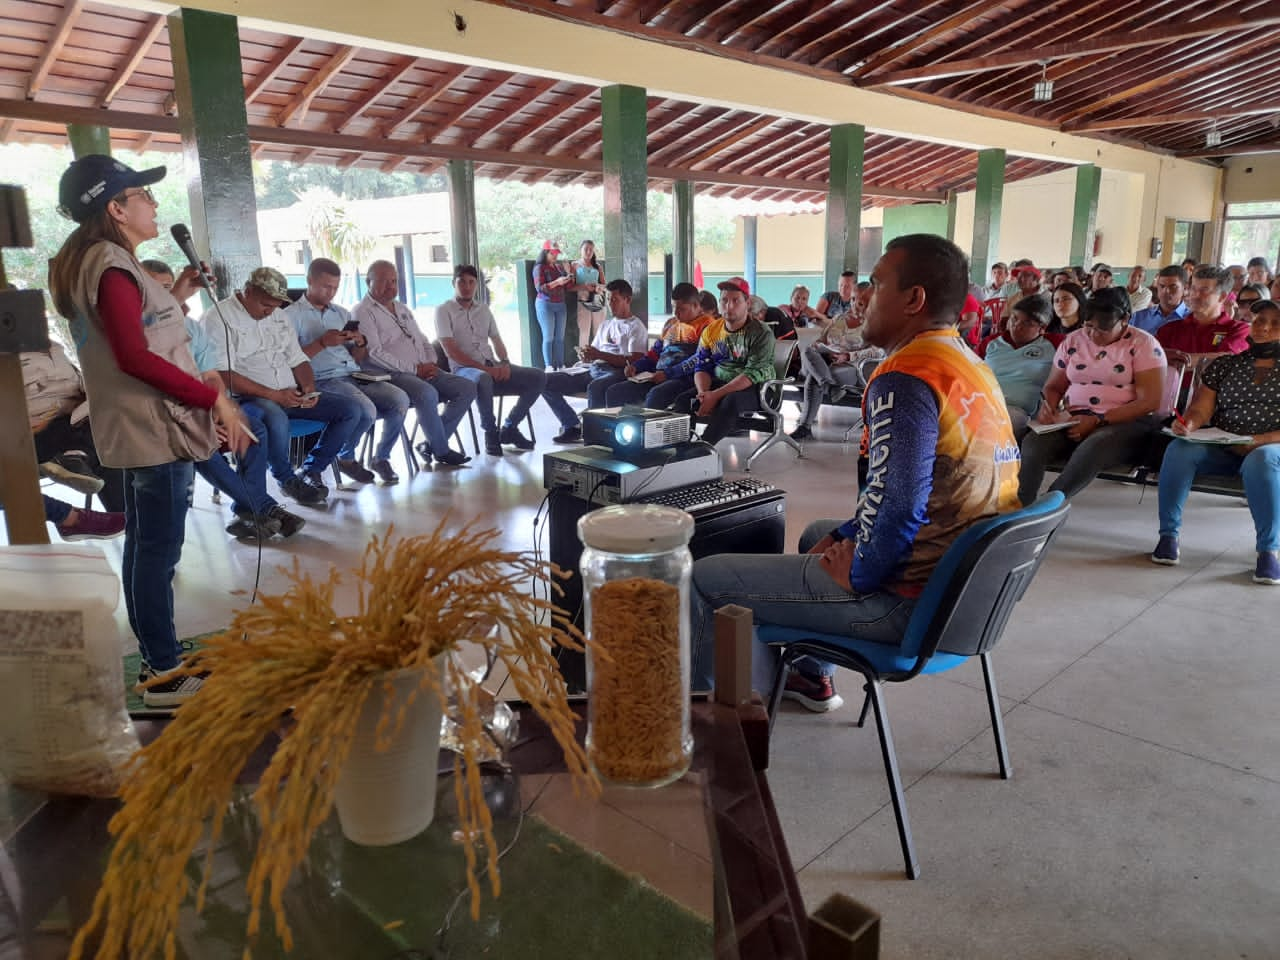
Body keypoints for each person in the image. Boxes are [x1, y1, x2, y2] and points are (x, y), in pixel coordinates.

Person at [689, 234, 1020, 710]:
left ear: (914, 299)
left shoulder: (906, 376)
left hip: (909, 604)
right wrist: (847, 535)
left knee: (707, 578)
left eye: (877, 285)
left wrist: (860, 575)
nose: (861, 298)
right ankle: (810, 678)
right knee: (819, 535)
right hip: (964, 594)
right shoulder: (966, 362)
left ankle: (721, 734)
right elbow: (913, 497)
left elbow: (900, 507)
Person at [49, 154, 251, 708]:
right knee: (157, 551)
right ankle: (162, 671)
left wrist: (179, 290)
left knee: (145, 546)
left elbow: (142, 327)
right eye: (143, 195)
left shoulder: (101, 262)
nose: (154, 203)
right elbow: (136, 357)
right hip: (153, 427)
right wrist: (213, 398)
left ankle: (159, 652)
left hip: (141, 427)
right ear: (115, 207)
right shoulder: (109, 264)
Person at [142, 260, 303, 540]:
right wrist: (202, 420)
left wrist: (219, 411)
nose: (163, 296)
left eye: (168, 288)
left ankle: (248, 511)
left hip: (198, 409)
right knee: (203, 444)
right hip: (161, 418)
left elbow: (212, 376)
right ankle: (264, 508)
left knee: (252, 429)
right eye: (155, 289)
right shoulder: (138, 332)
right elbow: (154, 390)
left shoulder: (191, 328)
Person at [204, 267, 360, 505]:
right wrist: (274, 395)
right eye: (265, 304)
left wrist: (308, 387)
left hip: (288, 394)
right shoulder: (219, 317)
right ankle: (286, 479)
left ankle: (310, 470)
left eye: (275, 305)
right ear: (248, 291)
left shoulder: (278, 315)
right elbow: (223, 374)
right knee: (274, 415)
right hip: (248, 398)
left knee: (350, 409)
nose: (270, 311)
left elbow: (298, 359)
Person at [1151, 298, 1280, 584]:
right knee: (1179, 448)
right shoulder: (1226, 365)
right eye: (1259, 320)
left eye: (1275, 323)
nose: (1264, 327)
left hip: (1271, 449)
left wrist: (1258, 440)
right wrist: (1189, 424)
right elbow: (1201, 408)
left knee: (1263, 459)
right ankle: (1168, 536)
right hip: (1226, 445)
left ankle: (1268, 552)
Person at [1017, 287, 1167, 506]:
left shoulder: (1143, 345)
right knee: (1033, 444)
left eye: (1103, 329)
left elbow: (1149, 402)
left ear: (1125, 319)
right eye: (1088, 325)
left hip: (1127, 422)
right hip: (1075, 418)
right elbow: (1054, 386)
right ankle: (1021, 505)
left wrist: (1099, 420)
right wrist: (1049, 406)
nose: (1093, 334)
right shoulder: (1073, 341)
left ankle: (1048, 504)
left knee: (1096, 445)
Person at [285, 258, 411, 486]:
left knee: (400, 399)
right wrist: (322, 343)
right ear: (309, 281)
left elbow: (357, 358)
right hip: (324, 378)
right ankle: (344, 457)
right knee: (366, 409)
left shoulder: (341, 313)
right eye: (325, 286)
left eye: (335, 287)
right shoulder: (290, 316)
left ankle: (380, 457)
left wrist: (360, 343)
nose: (330, 293)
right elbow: (288, 361)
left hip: (354, 374)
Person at [351, 260, 476, 468]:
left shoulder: (401, 307)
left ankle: (431, 443)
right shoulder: (362, 311)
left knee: (467, 387)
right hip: (391, 375)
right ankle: (442, 450)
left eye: (394, 280)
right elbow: (373, 353)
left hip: (422, 369)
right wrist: (415, 369)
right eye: (384, 281)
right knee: (427, 393)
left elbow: (422, 338)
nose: (391, 286)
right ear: (368, 282)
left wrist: (429, 362)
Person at [436, 264, 546, 456]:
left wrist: (503, 362)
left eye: (471, 282)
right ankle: (490, 432)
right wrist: (488, 370)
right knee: (483, 378)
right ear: (453, 283)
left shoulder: (484, 310)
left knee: (538, 376)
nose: (467, 286)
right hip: (463, 370)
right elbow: (451, 351)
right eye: (461, 282)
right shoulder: (443, 310)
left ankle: (510, 427)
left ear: (477, 285)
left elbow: (496, 340)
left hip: (491, 365)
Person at [541, 279, 649, 441]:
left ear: (627, 300)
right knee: (546, 381)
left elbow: (634, 360)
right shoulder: (606, 325)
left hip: (617, 371)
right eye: (608, 299)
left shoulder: (635, 327)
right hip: (593, 368)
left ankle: (595, 433)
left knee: (596, 387)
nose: (610, 304)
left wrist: (599, 355)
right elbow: (595, 352)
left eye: (615, 300)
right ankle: (572, 425)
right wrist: (587, 355)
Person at [22, 340, 125, 511]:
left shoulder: (51, 347)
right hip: (36, 435)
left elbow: (77, 382)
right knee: (101, 441)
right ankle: (74, 456)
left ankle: (132, 519)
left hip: (77, 420)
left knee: (110, 430)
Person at [674, 278, 775, 447]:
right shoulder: (711, 331)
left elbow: (750, 375)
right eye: (724, 300)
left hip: (759, 387)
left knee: (731, 401)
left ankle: (703, 447)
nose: (729, 306)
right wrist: (704, 393)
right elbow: (702, 366)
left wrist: (715, 395)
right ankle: (679, 447)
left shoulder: (761, 333)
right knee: (683, 400)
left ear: (747, 303)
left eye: (736, 300)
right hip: (720, 382)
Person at [789, 296, 885, 441]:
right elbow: (822, 339)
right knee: (808, 350)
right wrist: (819, 345)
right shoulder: (839, 318)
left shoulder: (875, 323)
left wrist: (847, 355)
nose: (853, 304)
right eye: (852, 300)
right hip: (826, 359)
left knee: (813, 376)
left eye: (858, 302)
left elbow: (878, 351)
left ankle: (805, 427)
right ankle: (828, 384)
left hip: (852, 366)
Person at [607, 282, 707, 407]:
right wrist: (636, 366)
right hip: (657, 375)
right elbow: (654, 354)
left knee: (655, 395)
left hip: (685, 378)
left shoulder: (707, 327)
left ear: (696, 305)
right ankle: (615, 426)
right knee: (615, 392)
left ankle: (646, 426)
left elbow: (699, 359)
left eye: (682, 309)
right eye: (673, 307)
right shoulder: (670, 324)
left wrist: (668, 374)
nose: (676, 313)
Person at [978, 294, 1062, 439]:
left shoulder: (1056, 344)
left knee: (992, 427)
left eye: (1028, 323)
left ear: (1042, 328)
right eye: (1014, 318)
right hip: (982, 404)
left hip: (1019, 412)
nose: (1017, 326)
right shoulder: (991, 343)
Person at [1156, 265, 1250, 370]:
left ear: (1222, 296)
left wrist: (1178, 360)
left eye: (1204, 290)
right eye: (1193, 289)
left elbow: (1228, 360)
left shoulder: (1238, 329)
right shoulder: (1169, 329)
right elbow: (1153, 360)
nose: (1195, 295)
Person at [532, 240, 572, 369]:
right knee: (548, 336)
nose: (555, 256)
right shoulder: (539, 267)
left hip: (560, 304)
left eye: (557, 253)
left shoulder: (559, 267)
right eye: (552, 253)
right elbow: (539, 288)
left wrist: (569, 273)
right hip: (545, 304)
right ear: (545, 252)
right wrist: (557, 282)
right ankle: (548, 366)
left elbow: (569, 286)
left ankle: (560, 365)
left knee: (560, 337)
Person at [1132, 265, 1190, 334]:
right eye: (1162, 286)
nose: (1166, 291)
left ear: (1185, 288)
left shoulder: (1192, 321)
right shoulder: (1138, 318)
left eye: (1173, 287)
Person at [572, 240, 606, 352]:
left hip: (597, 300)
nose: (588, 251)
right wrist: (584, 287)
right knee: (584, 331)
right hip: (582, 300)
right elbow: (570, 287)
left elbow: (604, 284)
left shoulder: (597, 266)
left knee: (598, 331)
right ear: (580, 250)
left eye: (591, 249)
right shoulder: (575, 265)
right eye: (586, 249)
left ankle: (599, 356)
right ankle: (583, 359)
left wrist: (598, 287)